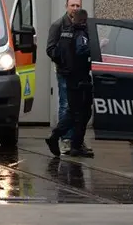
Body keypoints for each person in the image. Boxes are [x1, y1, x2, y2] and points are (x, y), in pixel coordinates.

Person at [46, 9, 94, 158]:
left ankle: (73, 145)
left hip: (69, 75)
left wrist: (63, 67)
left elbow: (56, 52)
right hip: (80, 77)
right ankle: (65, 140)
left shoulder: (66, 33)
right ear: (84, 21)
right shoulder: (81, 34)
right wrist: (97, 48)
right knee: (83, 112)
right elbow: (82, 50)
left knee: (74, 111)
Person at [46, 0, 81, 152]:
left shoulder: (82, 25)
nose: (75, 8)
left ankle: (75, 140)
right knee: (65, 104)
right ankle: (65, 139)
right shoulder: (58, 25)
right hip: (65, 73)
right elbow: (50, 49)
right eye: (72, 5)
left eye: (77, 6)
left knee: (78, 106)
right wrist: (63, 60)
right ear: (66, 6)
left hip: (79, 73)